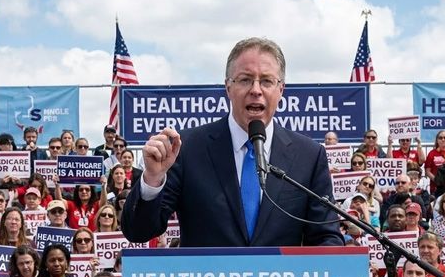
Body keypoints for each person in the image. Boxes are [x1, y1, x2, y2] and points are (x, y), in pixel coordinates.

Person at [122, 37, 342, 246]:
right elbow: (139, 231)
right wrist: (152, 179)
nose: (256, 90)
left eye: (266, 81)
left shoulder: (309, 156)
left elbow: (326, 237)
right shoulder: (188, 149)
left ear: (281, 89)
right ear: (228, 87)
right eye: (245, 80)